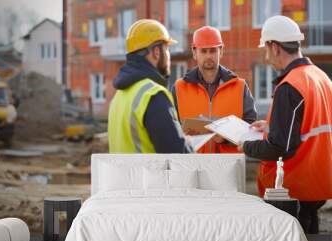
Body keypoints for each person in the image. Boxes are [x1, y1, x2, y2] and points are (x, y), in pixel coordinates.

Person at [238, 15, 332, 233]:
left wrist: (246, 145)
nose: (267, 57)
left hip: (293, 191)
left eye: (266, 49)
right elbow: (310, 126)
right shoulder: (321, 78)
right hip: (317, 185)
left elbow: (280, 147)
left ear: (275, 47)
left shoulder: (290, 86)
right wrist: (271, 125)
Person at [108, 19, 193, 153]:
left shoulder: (118, 97)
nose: (169, 55)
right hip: (149, 175)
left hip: (124, 174)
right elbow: (177, 157)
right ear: (156, 52)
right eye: (167, 49)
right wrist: (188, 144)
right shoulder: (153, 95)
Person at [172, 26, 257, 153]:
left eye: (212, 51)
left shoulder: (240, 86)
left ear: (221, 51)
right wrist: (182, 135)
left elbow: (251, 129)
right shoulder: (179, 88)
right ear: (194, 53)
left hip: (229, 166)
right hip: (192, 165)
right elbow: (170, 129)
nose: (208, 56)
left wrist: (225, 138)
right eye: (203, 51)